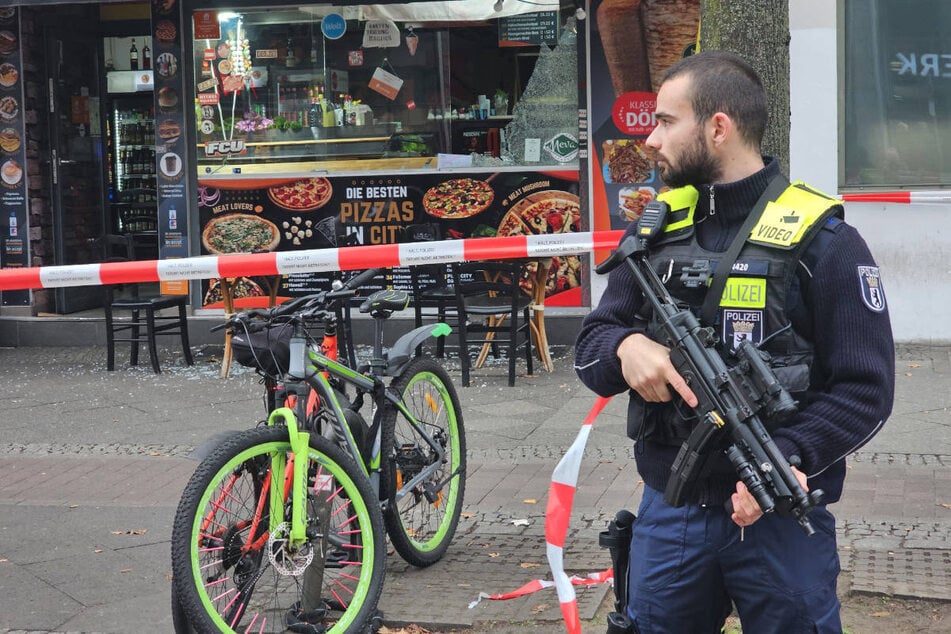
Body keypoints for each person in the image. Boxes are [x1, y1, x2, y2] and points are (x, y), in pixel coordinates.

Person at [574, 51, 894, 633]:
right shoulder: (654, 230)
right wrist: (625, 348)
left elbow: (865, 392)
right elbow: (591, 346)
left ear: (717, 128)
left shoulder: (828, 243)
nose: (649, 139)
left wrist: (791, 458)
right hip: (672, 513)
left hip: (778, 515)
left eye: (667, 121)